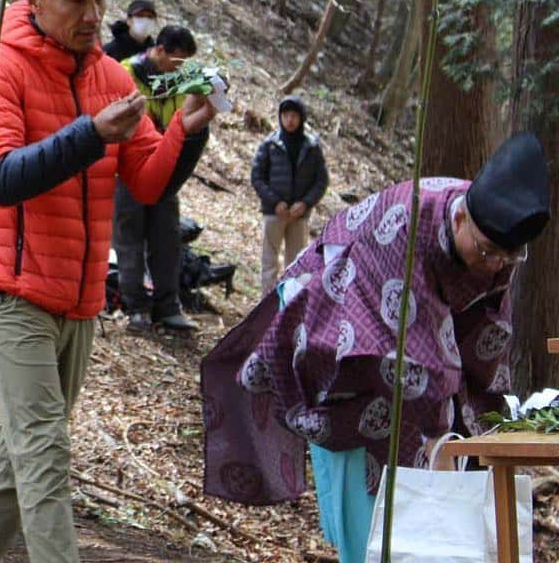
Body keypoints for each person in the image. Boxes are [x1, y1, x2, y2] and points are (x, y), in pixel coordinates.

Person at [0, 0, 216, 563]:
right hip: (11, 285)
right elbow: (1, 177)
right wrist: (88, 135)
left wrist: (183, 128)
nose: (93, 15)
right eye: (76, 0)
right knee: (44, 448)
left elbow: (148, 181)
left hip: (79, 295)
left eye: (99, 0)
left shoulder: (104, 75)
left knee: (25, 454)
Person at [202, 132, 551, 563]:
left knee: (442, 470)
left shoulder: (495, 245)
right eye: (488, 251)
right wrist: (441, 441)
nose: (496, 265)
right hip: (340, 334)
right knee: (376, 498)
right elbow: (417, 363)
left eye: (509, 258)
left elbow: (487, 337)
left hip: (414, 356)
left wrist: (479, 428)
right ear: (461, 219)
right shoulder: (404, 227)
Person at [114, 25, 204, 332]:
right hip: (129, 167)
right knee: (130, 236)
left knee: (166, 236)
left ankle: (168, 306)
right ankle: (135, 306)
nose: (179, 69)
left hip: (165, 166)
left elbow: (182, 119)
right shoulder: (127, 71)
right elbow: (131, 119)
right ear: (160, 50)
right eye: (177, 61)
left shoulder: (178, 82)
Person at [250, 95, 329, 295]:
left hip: (299, 215)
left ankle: (290, 305)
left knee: (297, 263)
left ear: (301, 118)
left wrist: (305, 203)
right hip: (274, 212)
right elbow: (257, 176)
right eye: (285, 115)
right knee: (269, 261)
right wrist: (274, 201)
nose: (290, 120)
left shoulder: (311, 147)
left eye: (294, 115)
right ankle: (266, 306)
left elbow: (321, 181)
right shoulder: (270, 144)